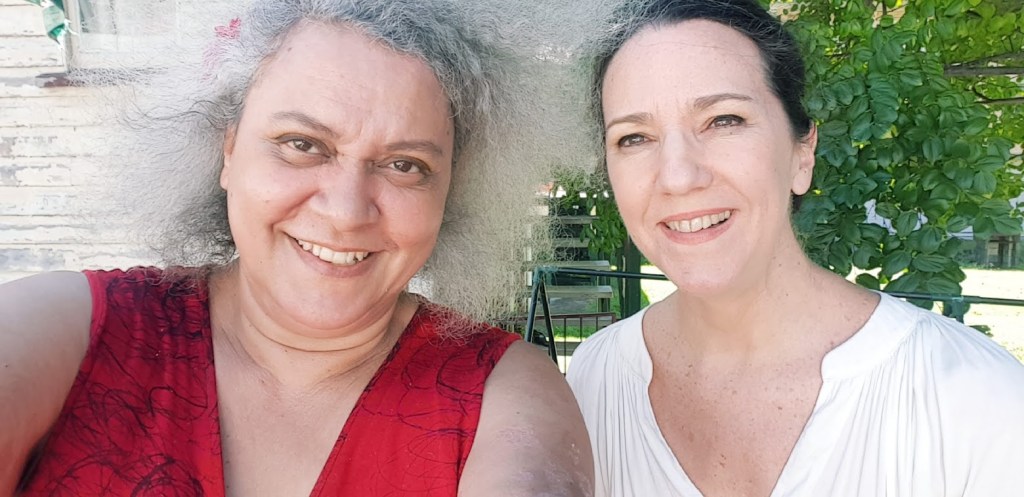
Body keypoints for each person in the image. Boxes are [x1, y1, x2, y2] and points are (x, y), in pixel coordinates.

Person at [2, 1, 593, 495]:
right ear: (228, 150)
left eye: (404, 165)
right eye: (302, 144)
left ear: (451, 194)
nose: (345, 212)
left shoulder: (502, 394)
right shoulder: (65, 330)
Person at [566, 0, 1024, 496]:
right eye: (634, 138)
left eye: (724, 120)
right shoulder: (593, 382)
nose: (677, 176)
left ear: (802, 153)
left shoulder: (978, 403)